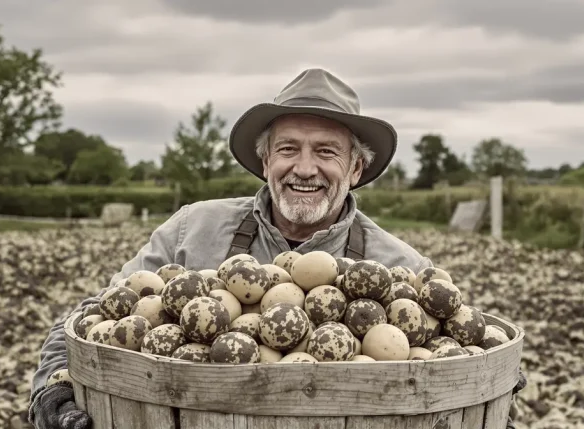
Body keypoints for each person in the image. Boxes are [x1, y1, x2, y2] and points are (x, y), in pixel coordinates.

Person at [28, 68, 525, 429]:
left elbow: (451, 356)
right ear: (266, 161)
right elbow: (96, 316)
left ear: (355, 170)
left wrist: (486, 383)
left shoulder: (400, 269)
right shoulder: (191, 230)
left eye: (326, 152)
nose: (304, 168)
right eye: (288, 148)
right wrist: (53, 384)